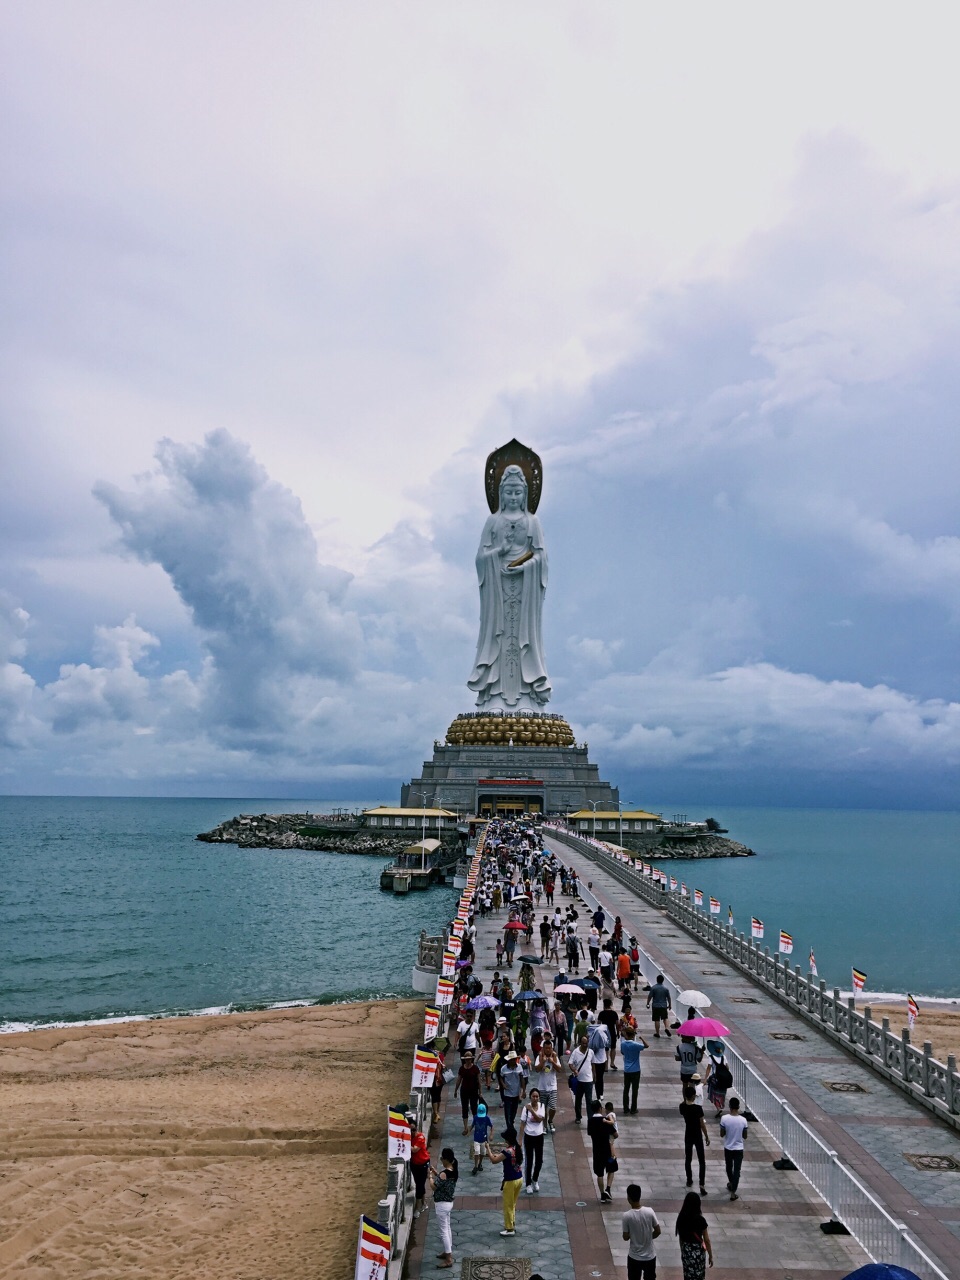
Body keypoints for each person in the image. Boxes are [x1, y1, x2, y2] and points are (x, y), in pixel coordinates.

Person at [468, 461, 551, 711]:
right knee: (499, 638)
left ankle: (527, 694)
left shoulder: (532, 521)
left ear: (525, 494)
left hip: (524, 591)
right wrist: (498, 553)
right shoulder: (492, 522)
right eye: (508, 492)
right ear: (500, 494)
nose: (513, 497)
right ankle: (494, 695)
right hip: (497, 591)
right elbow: (480, 558)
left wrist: (526, 566)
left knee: (524, 638)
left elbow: (541, 558)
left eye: (518, 492)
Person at [485, 1126, 525, 1236]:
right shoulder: (516, 1148)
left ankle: (509, 1229)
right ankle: (512, 1222)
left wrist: (488, 1148)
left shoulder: (507, 1151)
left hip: (510, 1181)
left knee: (507, 1205)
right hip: (519, 1178)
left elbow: (494, 1160)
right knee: (513, 1203)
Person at [621, 1182, 661, 1280]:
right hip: (650, 1256)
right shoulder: (649, 1211)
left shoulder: (627, 1216)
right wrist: (649, 1236)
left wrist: (633, 1234)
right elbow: (658, 1231)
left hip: (634, 1257)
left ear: (628, 1198)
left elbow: (625, 1237)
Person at [430, 1147, 459, 1269]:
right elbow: (443, 1180)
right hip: (448, 1203)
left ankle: (448, 1259)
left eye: (442, 1158)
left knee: (443, 1231)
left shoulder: (444, 1174)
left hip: (442, 1204)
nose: (441, 1160)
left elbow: (434, 1187)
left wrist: (430, 1177)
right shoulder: (453, 1170)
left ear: (446, 1159)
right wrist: (436, 1173)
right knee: (447, 1228)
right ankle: (448, 1251)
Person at [679, 1084, 710, 1195]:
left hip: (688, 1134)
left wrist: (686, 1099)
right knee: (702, 1160)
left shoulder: (682, 1107)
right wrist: (706, 1135)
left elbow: (683, 1104)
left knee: (688, 1158)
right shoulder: (698, 1108)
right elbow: (702, 1123)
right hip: (697, 1135)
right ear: (693, 1096)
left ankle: (689, 1179)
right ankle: (701, 1184)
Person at [675, 1191, 714, 1277]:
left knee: (688, 1275)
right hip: (698, 1253)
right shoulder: (700, 1220)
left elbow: (681, 1238)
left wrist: (683, 1252)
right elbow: (707, 1240)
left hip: (686, 1252)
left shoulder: (681, 1218)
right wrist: (710, 1256)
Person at [587, 1099, 617, 1202]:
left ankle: (602, 1195)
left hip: (596, 1150)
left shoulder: (590, 1121)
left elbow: (590, 1133)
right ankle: (608, 1188)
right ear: (600, 1108)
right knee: (611, 1168)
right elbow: (615, 1134)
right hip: (607, 1150)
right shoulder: (606, 1120)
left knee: (600, 1173)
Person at [720, 1098, 748, 1200]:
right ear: (738, 1107)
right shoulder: (743, 1120)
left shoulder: (724, 1119)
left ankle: (731, 1183)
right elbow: (745, 1136)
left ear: (730, 1106)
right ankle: (733, 1191)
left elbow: (722, 1134)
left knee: (728, 1167)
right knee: (737, 1171)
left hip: (728, 1147)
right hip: (739, 1148)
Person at [519, 1087, 546, 1193]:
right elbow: (522, 1124)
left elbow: (540, 1119)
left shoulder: (542, 1106)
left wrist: (532, 1110)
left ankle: (535, 1179)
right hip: (529, 1136)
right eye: (533, 1096)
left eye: (537, 1096)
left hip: (539, 1137)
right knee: (529, 1161)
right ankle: (528, 1183)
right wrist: (520, 1140)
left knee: (539, 1161)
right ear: (530, 1097)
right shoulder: (525, 1109)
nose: (535, 1098)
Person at [534, 1032, 560, 1131]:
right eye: (546, 1048)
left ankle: (550, 1120)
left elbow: (559, 1069)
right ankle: (544, 1125)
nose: (548, 1050)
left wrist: (552, 1061)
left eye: (550, 1048)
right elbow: (537, 1069)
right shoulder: (540, 1057)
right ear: (543, 1048)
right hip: (542, 1087)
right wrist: (543, 1061)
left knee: (553, 1107)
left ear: (552, 1048)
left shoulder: (555, 1057)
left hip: (553, 1086)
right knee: (543, 1108)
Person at [568, 1032, 595, 1123]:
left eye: (586, 1043)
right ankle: (578, 1117)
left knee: (589, 1100)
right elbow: (570, 1063)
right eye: (583, 1043)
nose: (584, 1045)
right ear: (580, 1043)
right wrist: (574, 1070)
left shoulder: (590, 1052)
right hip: (579, 1080)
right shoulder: (575, 1052)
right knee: (578, 1099)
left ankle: (590, 1118)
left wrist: (594, 1076)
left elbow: (593, 1064)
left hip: (588, 1080)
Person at [620, 1026, 648, 1114]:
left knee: (626, 1089)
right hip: (635, 1070)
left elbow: (622, 1052)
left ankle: (625, 1108)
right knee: (635, 1090)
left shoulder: (623, 1044)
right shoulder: (636, 1045)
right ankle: (633, 1108)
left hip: (627, 1070)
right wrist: (642, 1038)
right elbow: (646, 1046)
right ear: (633, 1035)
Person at [499, 1049, 527, 1133]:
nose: (513, 1061)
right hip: (507, 1094)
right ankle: (509, 1127)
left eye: (514, 1059)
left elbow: (522, 1079)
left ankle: (511, 1123)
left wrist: (524, 1091)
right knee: (507, 1112)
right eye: (511, 1059)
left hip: (516, 1093)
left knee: (514, 1111)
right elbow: (500, 1077)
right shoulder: (504, 1068)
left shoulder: (519, 1067)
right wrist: (503, 1085)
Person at [455, 1050, 483, 1134]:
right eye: (466, 1059)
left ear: (471, 1059)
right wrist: (456, 1090)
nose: (468, 1060)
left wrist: (480, 1092)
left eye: (469, 1059)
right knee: (464, 1108)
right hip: (464, 1091)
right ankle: (465, 1127)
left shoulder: (475, 1068)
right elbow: (459, 1080)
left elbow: (479, 1081)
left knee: (474, 1108)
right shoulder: (461, 1068)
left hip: (474, 1091)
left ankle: (475, 1126)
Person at [410, 1129, 430, 1218]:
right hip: (414, 1164)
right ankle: (424, 1203)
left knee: (420, 1185)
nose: (412, 1132)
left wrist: (405, 1143)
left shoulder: (420, 1137)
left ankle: (417, 1208)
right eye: (410, 1130)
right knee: (419, 1183)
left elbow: (415, 1150)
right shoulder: (409, 1137)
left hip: (423, 1164)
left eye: (413, 1130)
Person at [588, 1020, 610, 1100]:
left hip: (599, 1061)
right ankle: (599, 1094)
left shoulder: (595, 1039)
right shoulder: (602, 1039)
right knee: (599, 1079)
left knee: (598, 1078)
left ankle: (599, 1094)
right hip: (598, 1061)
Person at [471, 1100, 494, 1174]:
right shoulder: (476, 1117)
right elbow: (472, 1125)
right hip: (476, 1138)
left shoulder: (486, 1118)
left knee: (483, 1152)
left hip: (484, 1139)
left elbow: (491, 1126)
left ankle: (480, 1163)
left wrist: (491, 1134)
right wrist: (468, 1130)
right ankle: (475, 1166)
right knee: (477, 1151)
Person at [646, 973, 672, 1037]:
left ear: (656, 980)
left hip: (655, 1006)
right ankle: (666, 1028)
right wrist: (670, 1005)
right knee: (665, 1018)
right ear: (663, 980)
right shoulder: (666, 988)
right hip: (663, 1005)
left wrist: (647, 1003)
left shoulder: (653, 988)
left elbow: (650, 996)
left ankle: (657, 1033)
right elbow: (668, 997)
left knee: (656, 1020)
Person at [599, 997, 621, 1071]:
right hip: (612, 1032)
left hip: (604, 1032)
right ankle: (612, 1063)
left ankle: (605, 1066)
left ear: (604, 1005)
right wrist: (618, 1033)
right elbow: (617, 1024)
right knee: (613, 1047)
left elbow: (598, 1024)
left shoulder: (601, 1013)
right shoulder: (614, 1013)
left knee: (605, 1049)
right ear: (611, 1005)